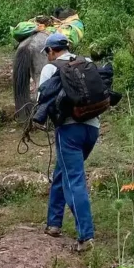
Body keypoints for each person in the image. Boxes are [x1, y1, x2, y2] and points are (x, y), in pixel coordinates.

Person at [39, 31, 100, 251]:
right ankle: (53, 223)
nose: (47, 56)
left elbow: (42, 99)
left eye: (47, 52)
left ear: (51, 51)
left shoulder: (51, 68)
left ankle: (86, 236)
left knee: (73, 180)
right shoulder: (87, 62)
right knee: (62, 171)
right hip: (92, 129)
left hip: (69, 131)